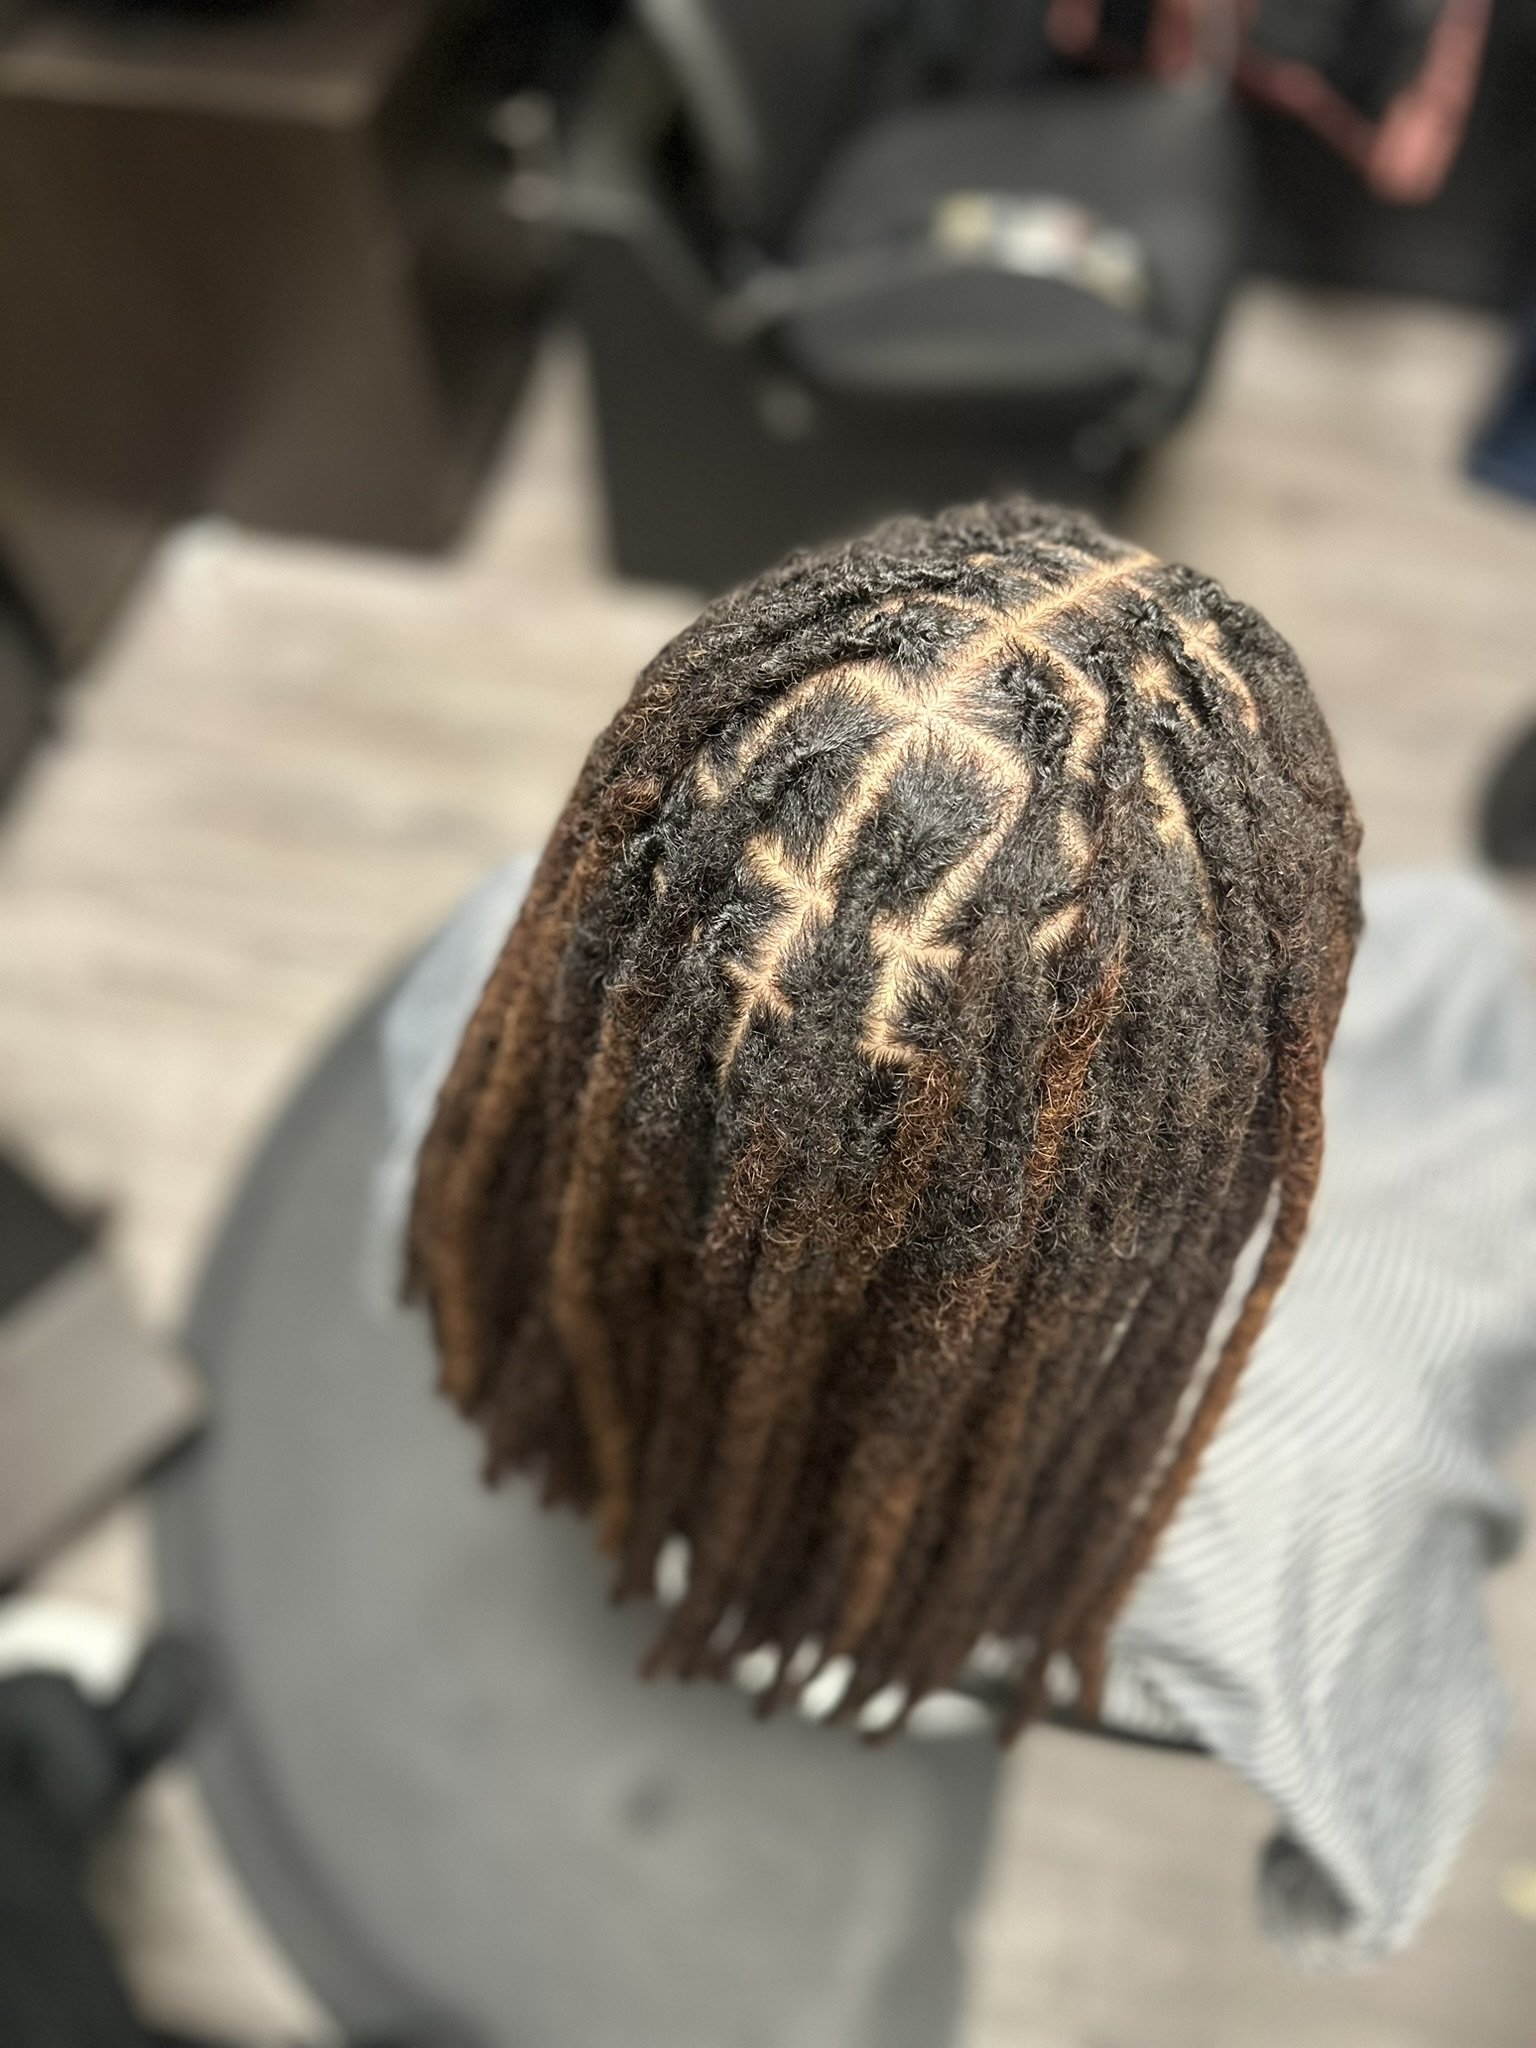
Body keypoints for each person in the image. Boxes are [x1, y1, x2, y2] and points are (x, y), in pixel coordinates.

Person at [390, 497, 1536, 1960]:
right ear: (1236, 999)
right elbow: (1367, 1834)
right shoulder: (1359, 1444)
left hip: (651, 1477)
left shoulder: (485, 1011)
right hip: (964, 1612)